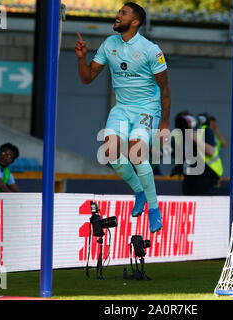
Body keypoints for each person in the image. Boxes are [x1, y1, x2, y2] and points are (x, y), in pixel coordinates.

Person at [75, 2, 171, 233]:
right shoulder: (109, 44)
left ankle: (154, 209)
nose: (117, 16)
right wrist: (81, 57)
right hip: (122, 107)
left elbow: (165, 90)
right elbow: (87, 78)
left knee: (136, 152)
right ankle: (140, 192)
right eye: (118, 12)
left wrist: (165, 123)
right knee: (111, 152)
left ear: (135, 22)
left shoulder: (151, 50)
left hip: (147, 108)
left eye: (123, 13)